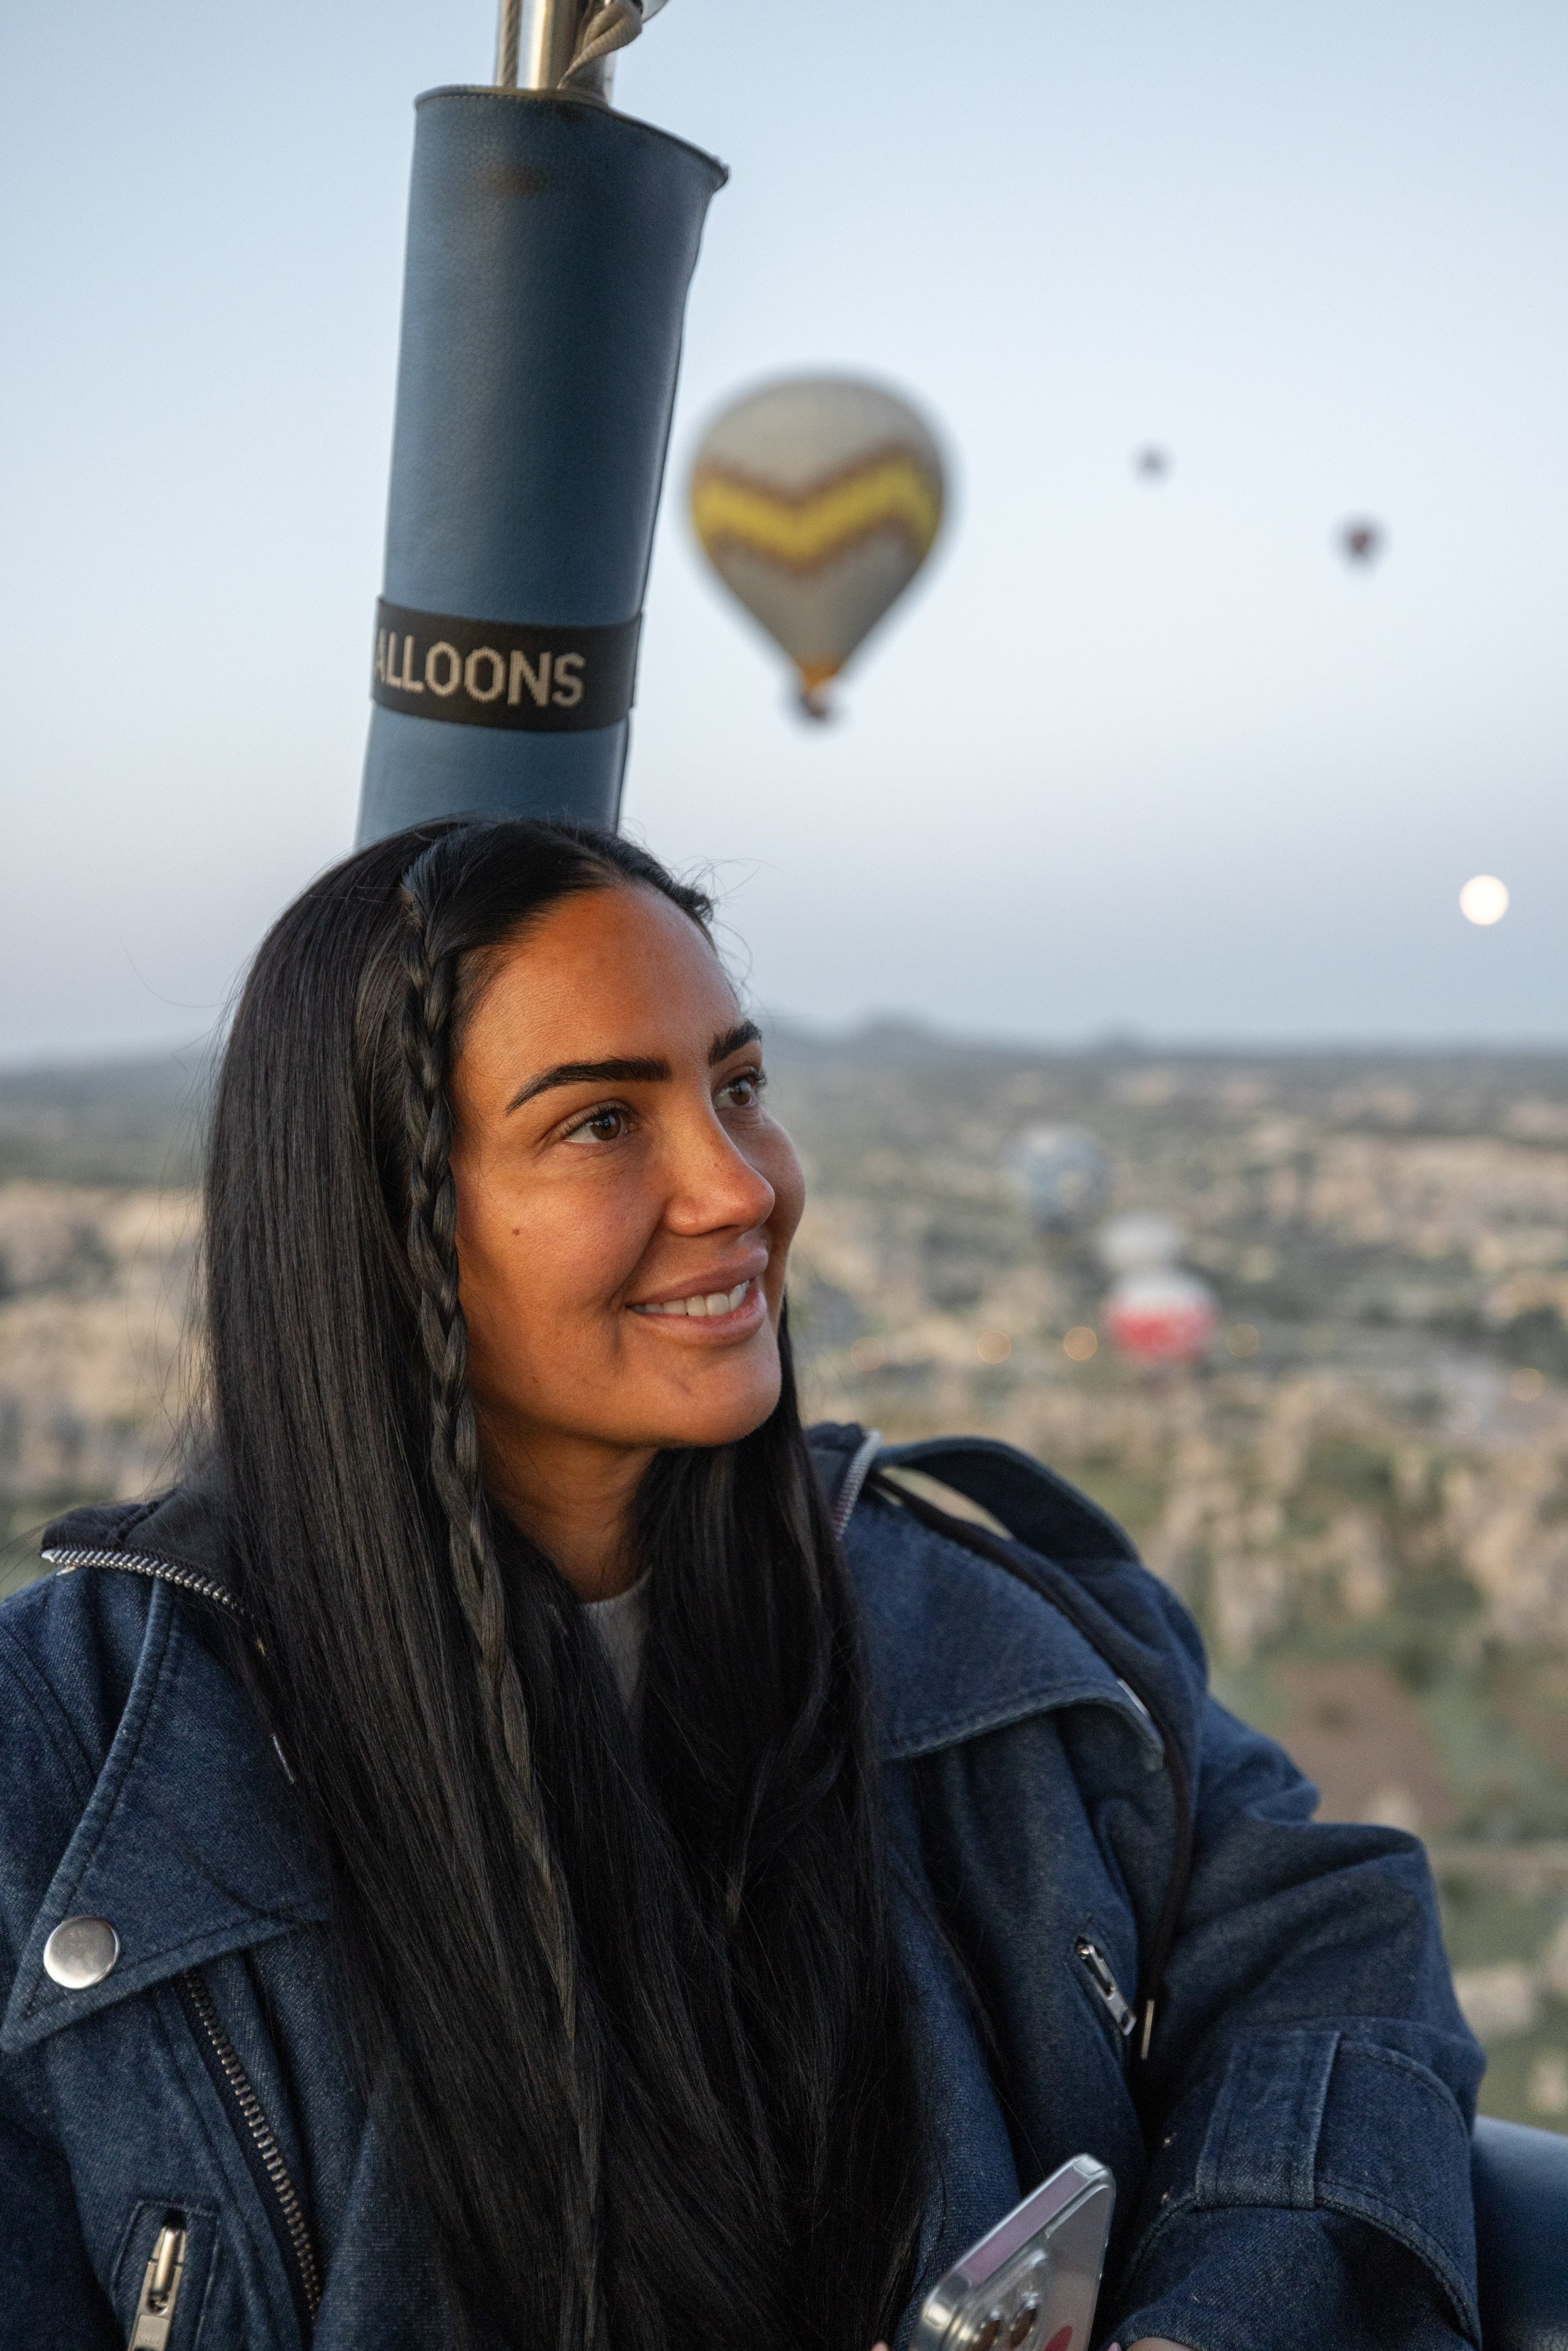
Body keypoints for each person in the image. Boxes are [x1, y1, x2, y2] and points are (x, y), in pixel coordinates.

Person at [0, 821, 1483, 2351]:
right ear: (381, 1221)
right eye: (599, 1124)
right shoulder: (65, 1764)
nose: (740, 1185)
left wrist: (1208, 2326)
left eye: (740, 1087)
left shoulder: (1003, 1626)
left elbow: (1334, 1938)